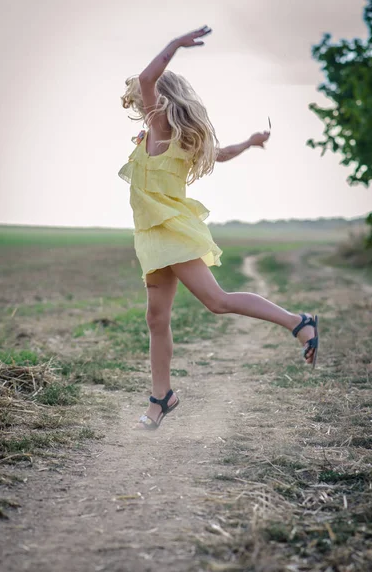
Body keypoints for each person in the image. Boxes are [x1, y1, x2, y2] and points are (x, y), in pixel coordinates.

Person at [119, 26, 319, 430]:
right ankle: (161, 398)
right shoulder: (165, 134)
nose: (140, 100)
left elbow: (145, 79)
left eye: (148, 97)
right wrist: (248, 143)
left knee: (217, 300)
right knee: (157, 320)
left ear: (162, 97)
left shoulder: (160, 126)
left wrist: (174, 45)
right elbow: (222, 153)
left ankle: (298, 321)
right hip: (151, 236)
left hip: (172, 232)